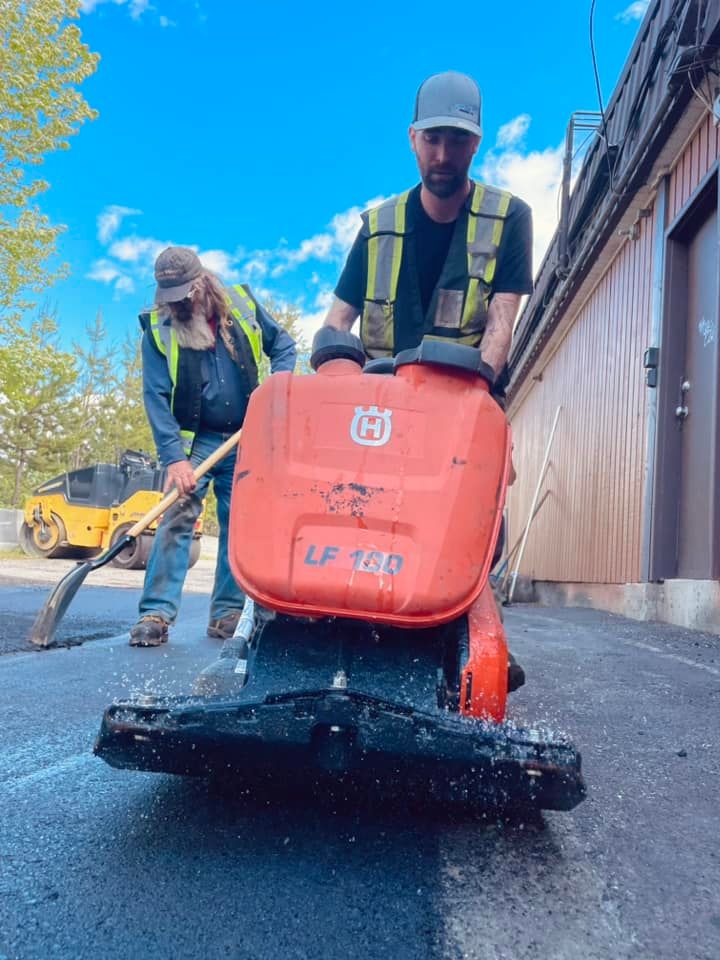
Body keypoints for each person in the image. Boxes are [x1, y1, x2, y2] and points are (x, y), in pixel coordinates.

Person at [322, 71, 532, 689]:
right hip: (381, 407)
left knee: (475, 525)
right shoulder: (379, 225)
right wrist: (335, 370)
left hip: (461, 403)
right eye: (433, 140)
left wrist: (480, 403)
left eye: (458, 142)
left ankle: (473, 625)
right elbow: (339, 321)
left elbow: (502, 320)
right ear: (413, 139)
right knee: (356, 511)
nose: (443, 156)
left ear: (477, 144)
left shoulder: (506, 217)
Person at [130, 246, 297, 646]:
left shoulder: (241, 303)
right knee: (176, 514)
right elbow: (155, 396)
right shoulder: (159, 328)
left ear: (201, 283)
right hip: (195, 439)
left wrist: (279, 391)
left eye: (184, 295)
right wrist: (173, 458)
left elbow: (284, 347)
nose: (179, 305)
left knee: (238, 523)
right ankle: (155, 612)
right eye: (170, 298)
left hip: (246, 434)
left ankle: (226, 613)